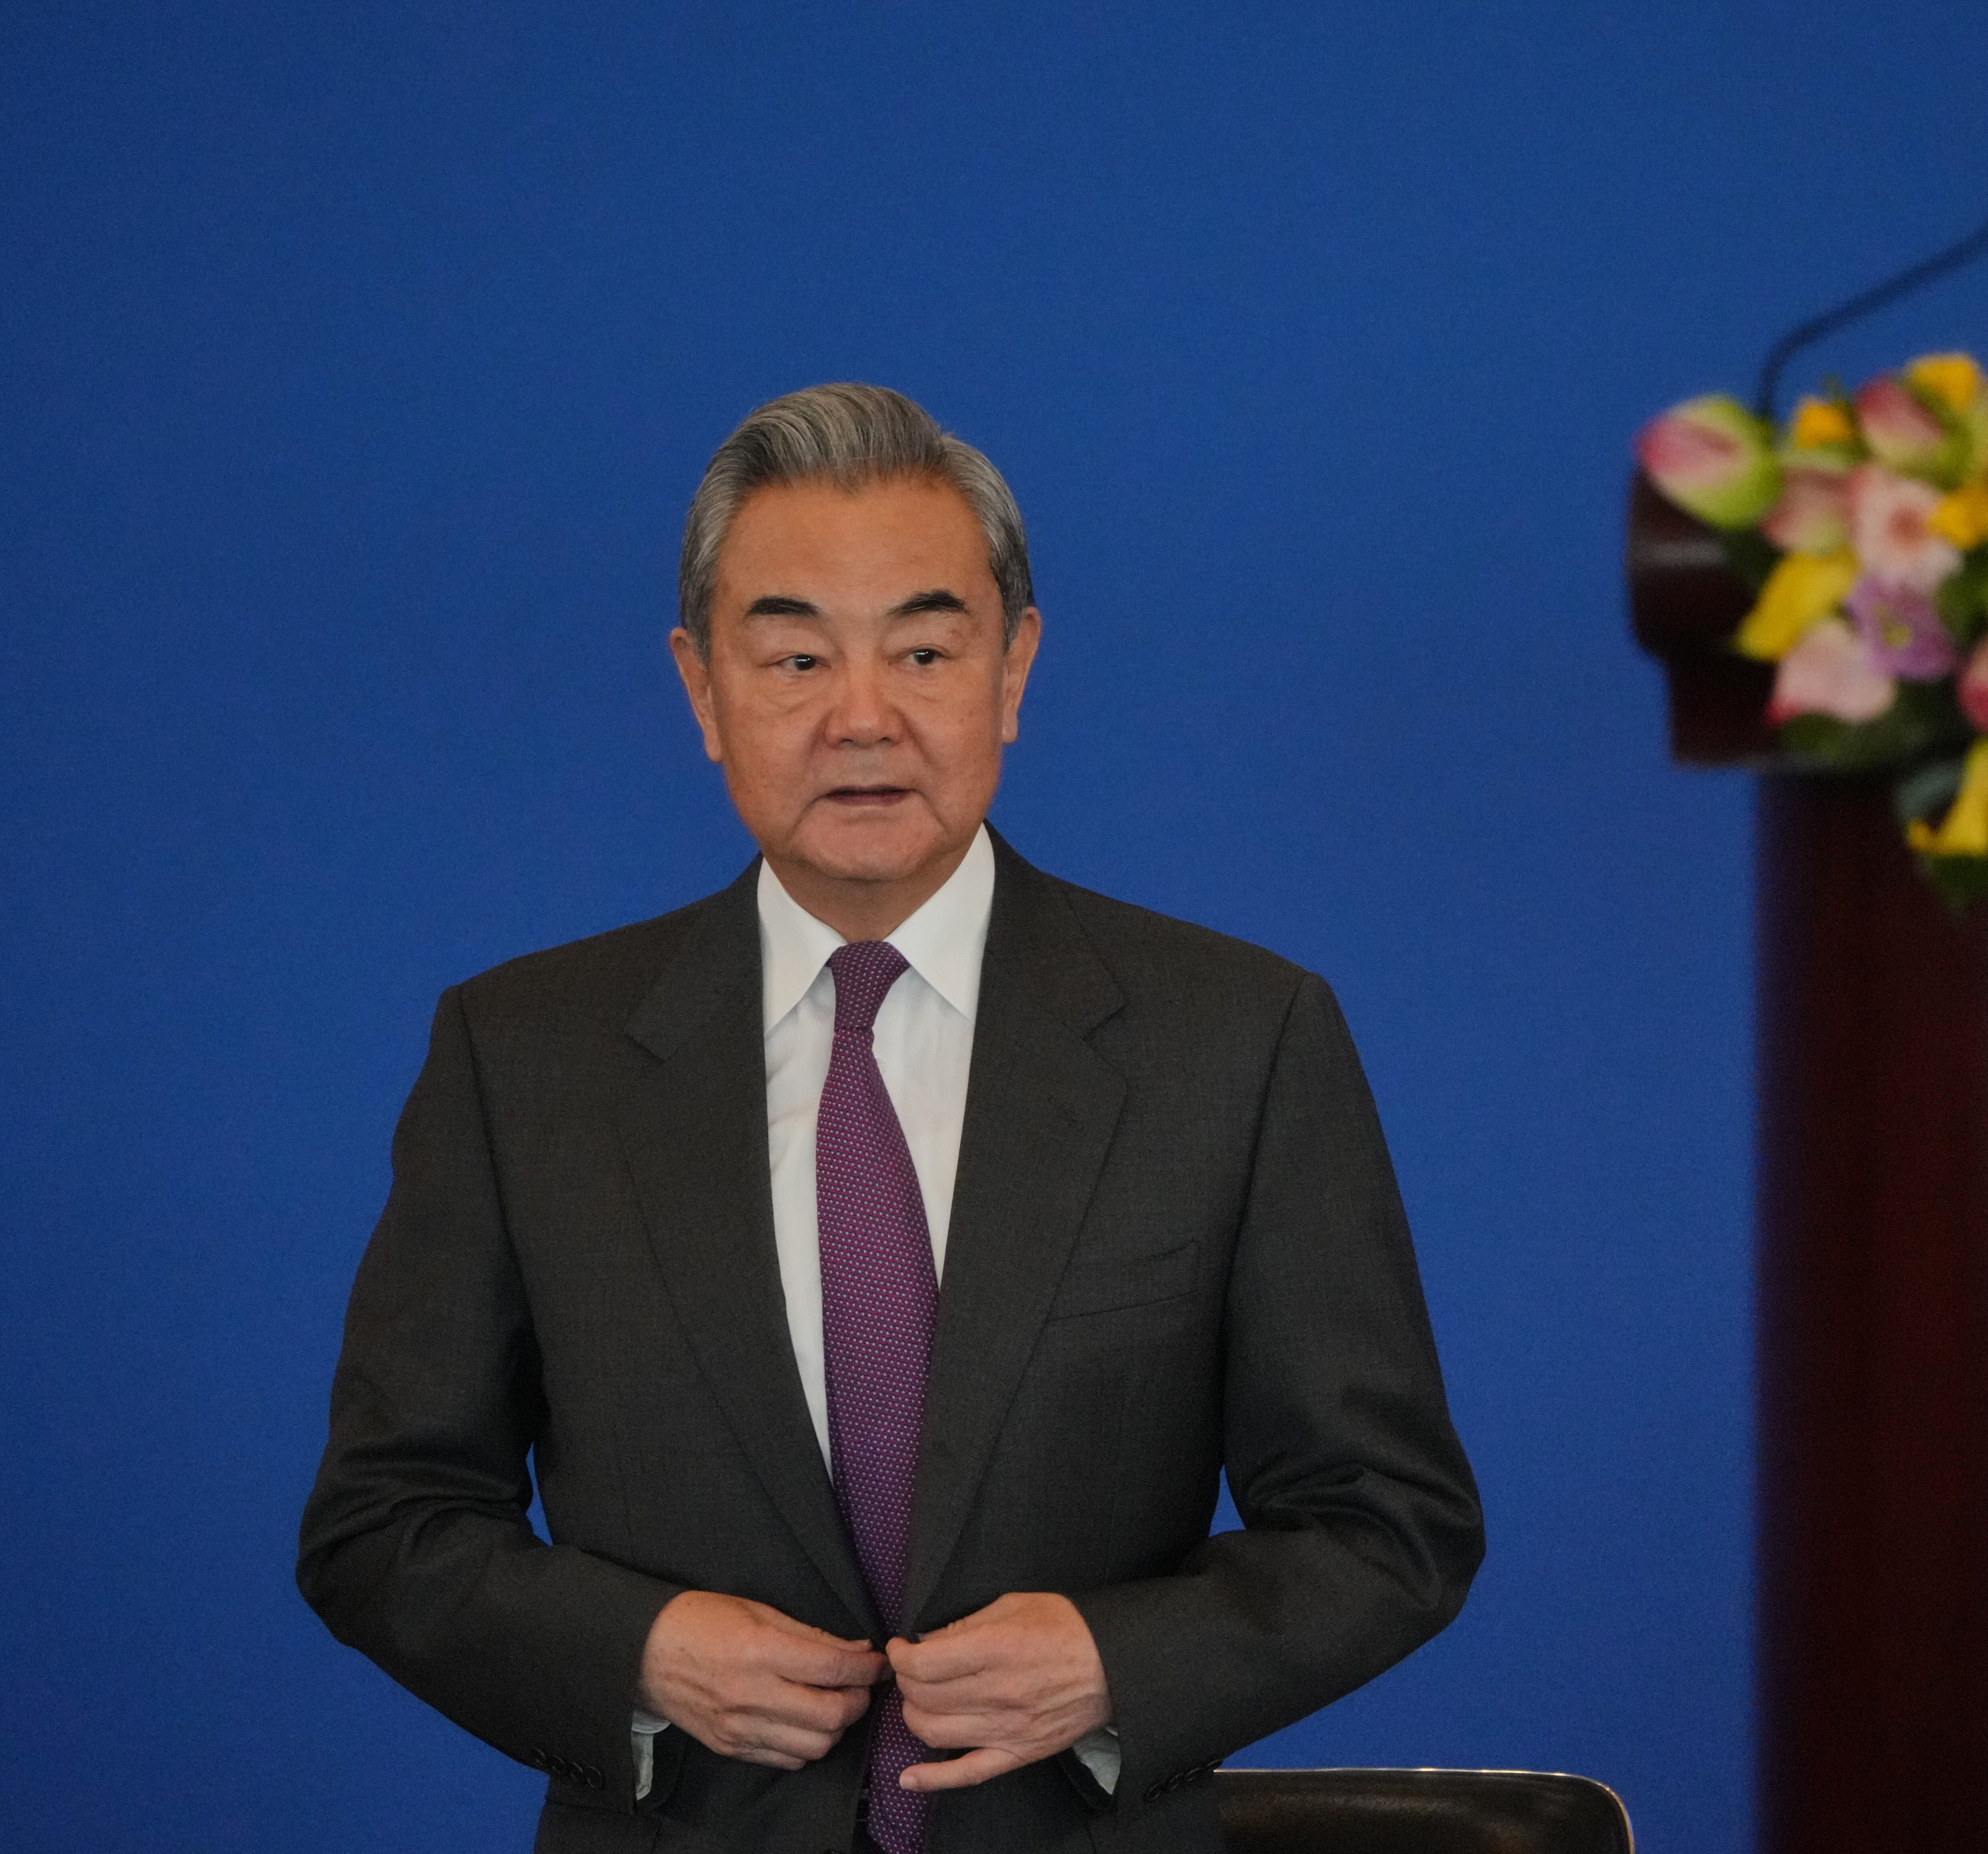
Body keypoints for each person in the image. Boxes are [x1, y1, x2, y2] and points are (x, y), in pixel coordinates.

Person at [298, 383, 1484, 1854]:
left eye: (923, 649)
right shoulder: (522, 1054)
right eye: (794, 655)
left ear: (1014, 668)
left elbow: (1389, 1524)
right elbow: (383, 1524)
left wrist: (1120, 1665)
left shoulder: (1236, 1040)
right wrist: (638, 1652)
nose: (863, 716)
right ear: (701, 690)